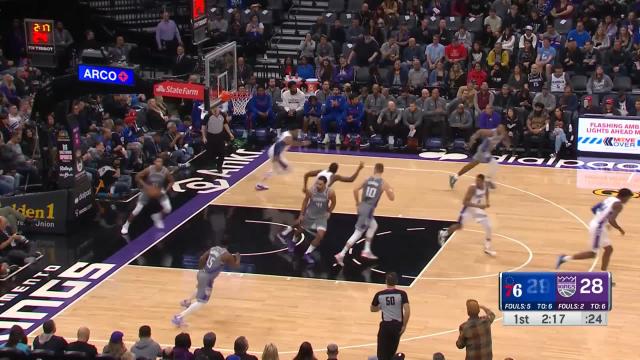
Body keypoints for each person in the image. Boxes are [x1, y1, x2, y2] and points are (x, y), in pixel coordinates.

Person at [557, 188, 633, 273]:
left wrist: (601, 218)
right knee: (593, 254)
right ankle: (564, 258)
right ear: (624, 197)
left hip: (598, 226)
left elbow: (594, 209)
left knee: (609, 249)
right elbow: (612, 220)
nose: (627, 201)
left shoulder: (610, 199)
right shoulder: (619, 205)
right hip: (598, 228)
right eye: (628, 199)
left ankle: (603, 272)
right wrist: (620, 229)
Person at [334, 163, 395, 264]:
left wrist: (357, 203)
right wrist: (391, 190)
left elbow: (355, 190)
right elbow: (392, 198)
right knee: (358, 233)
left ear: (374, 170)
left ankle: (366, 250)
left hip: (362, 207)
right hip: (368, 210)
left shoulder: (367, 179)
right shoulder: (383, 183)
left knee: (374, 225)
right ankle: (341, 254)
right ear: (382, 171)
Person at [173, 244, 242, 326]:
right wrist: (238, 258)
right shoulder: (227, 255)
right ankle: (179, 317)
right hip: (207, 279)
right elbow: (236, 266)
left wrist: (201, 270)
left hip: (202, 272)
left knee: (200, 288)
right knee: (201, 302)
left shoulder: (213, 249)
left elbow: (202, 258)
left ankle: (187, 301)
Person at [280, 176, 336, 263]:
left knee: (320, 236)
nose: (317, 185)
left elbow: (333, 203)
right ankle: (293, 241)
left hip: (321, 217)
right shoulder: (311, 191)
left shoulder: (330, 192)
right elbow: (305, 201)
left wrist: (329, 212)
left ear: (325, 184)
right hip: (310, 215)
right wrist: (301, 214)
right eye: (317, 183)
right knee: (299, 231)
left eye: (320, 184)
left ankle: (307, 254)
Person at [439, 174, 497, 256]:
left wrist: (487, 201)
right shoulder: (472, 188)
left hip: (477, 211)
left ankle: (487, 248)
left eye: (478, 181)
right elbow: (465, 202)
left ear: (482, 181)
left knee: (488, 226)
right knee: (459, 226)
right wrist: (479, 206)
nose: (476, 182)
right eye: (476, 180)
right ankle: (443, 234)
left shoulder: (485, 186)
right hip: (468, 210)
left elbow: (487, 192)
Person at [121, 157, 174, 235]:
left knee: (168, 209)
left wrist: (165, 190)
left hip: (159, 192)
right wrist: (145, 186)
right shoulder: (149, 169)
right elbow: (137, 177)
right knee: (137, 210)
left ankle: (157, 216)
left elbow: (171, 181)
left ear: (162, 163)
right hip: (147, 192)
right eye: (157, 161)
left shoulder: (165, 171)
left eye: (160, 162)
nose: (159, 163)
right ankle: (126, 225)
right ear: (154, 162)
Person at [449, 124, 510, 190]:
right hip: (483, 151)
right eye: (499, 128)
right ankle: (487, 180)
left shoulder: (503, 134)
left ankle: (455, 177)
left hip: (487, 152)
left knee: (474, 165)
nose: (500, 130)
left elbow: (505, 138)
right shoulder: (491, 132)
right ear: (497, 128)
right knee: (492, 164)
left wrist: (507, 144)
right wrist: (473, 138)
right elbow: (480, 131)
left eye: (502, 129)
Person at [370, 272, 410, 360]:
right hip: (397, 326)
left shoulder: (379, 294)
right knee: (392, 351)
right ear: (396, 282)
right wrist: (404, 325)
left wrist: (381, 306)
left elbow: (372, 309)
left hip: (385, 326)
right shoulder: (402, 293)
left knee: (381, 353)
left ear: (386, 281)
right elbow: (407, 310)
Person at [202, 105, 235, 173]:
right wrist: (204, 137)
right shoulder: (207, 116)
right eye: (214, 108)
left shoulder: (222, 115)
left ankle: (219, 167)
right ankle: (211, 165)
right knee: (210, 153)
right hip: (211, 136)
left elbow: (225, 125)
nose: (215, 110)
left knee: (222, 153)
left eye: (216, 108)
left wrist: (230, 133)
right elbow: (203, 127)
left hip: (220, 135)